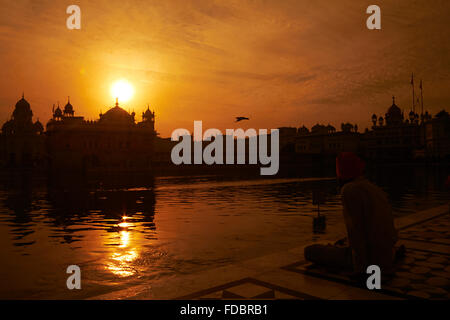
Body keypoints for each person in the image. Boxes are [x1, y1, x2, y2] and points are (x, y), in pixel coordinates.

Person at [304, 152, 400, 277]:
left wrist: (360, 269)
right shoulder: (373, 188)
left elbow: (356, 232)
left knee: (310, 251)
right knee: (339, 244)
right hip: (387, 254)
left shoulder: (349, 190)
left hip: (371, 260)